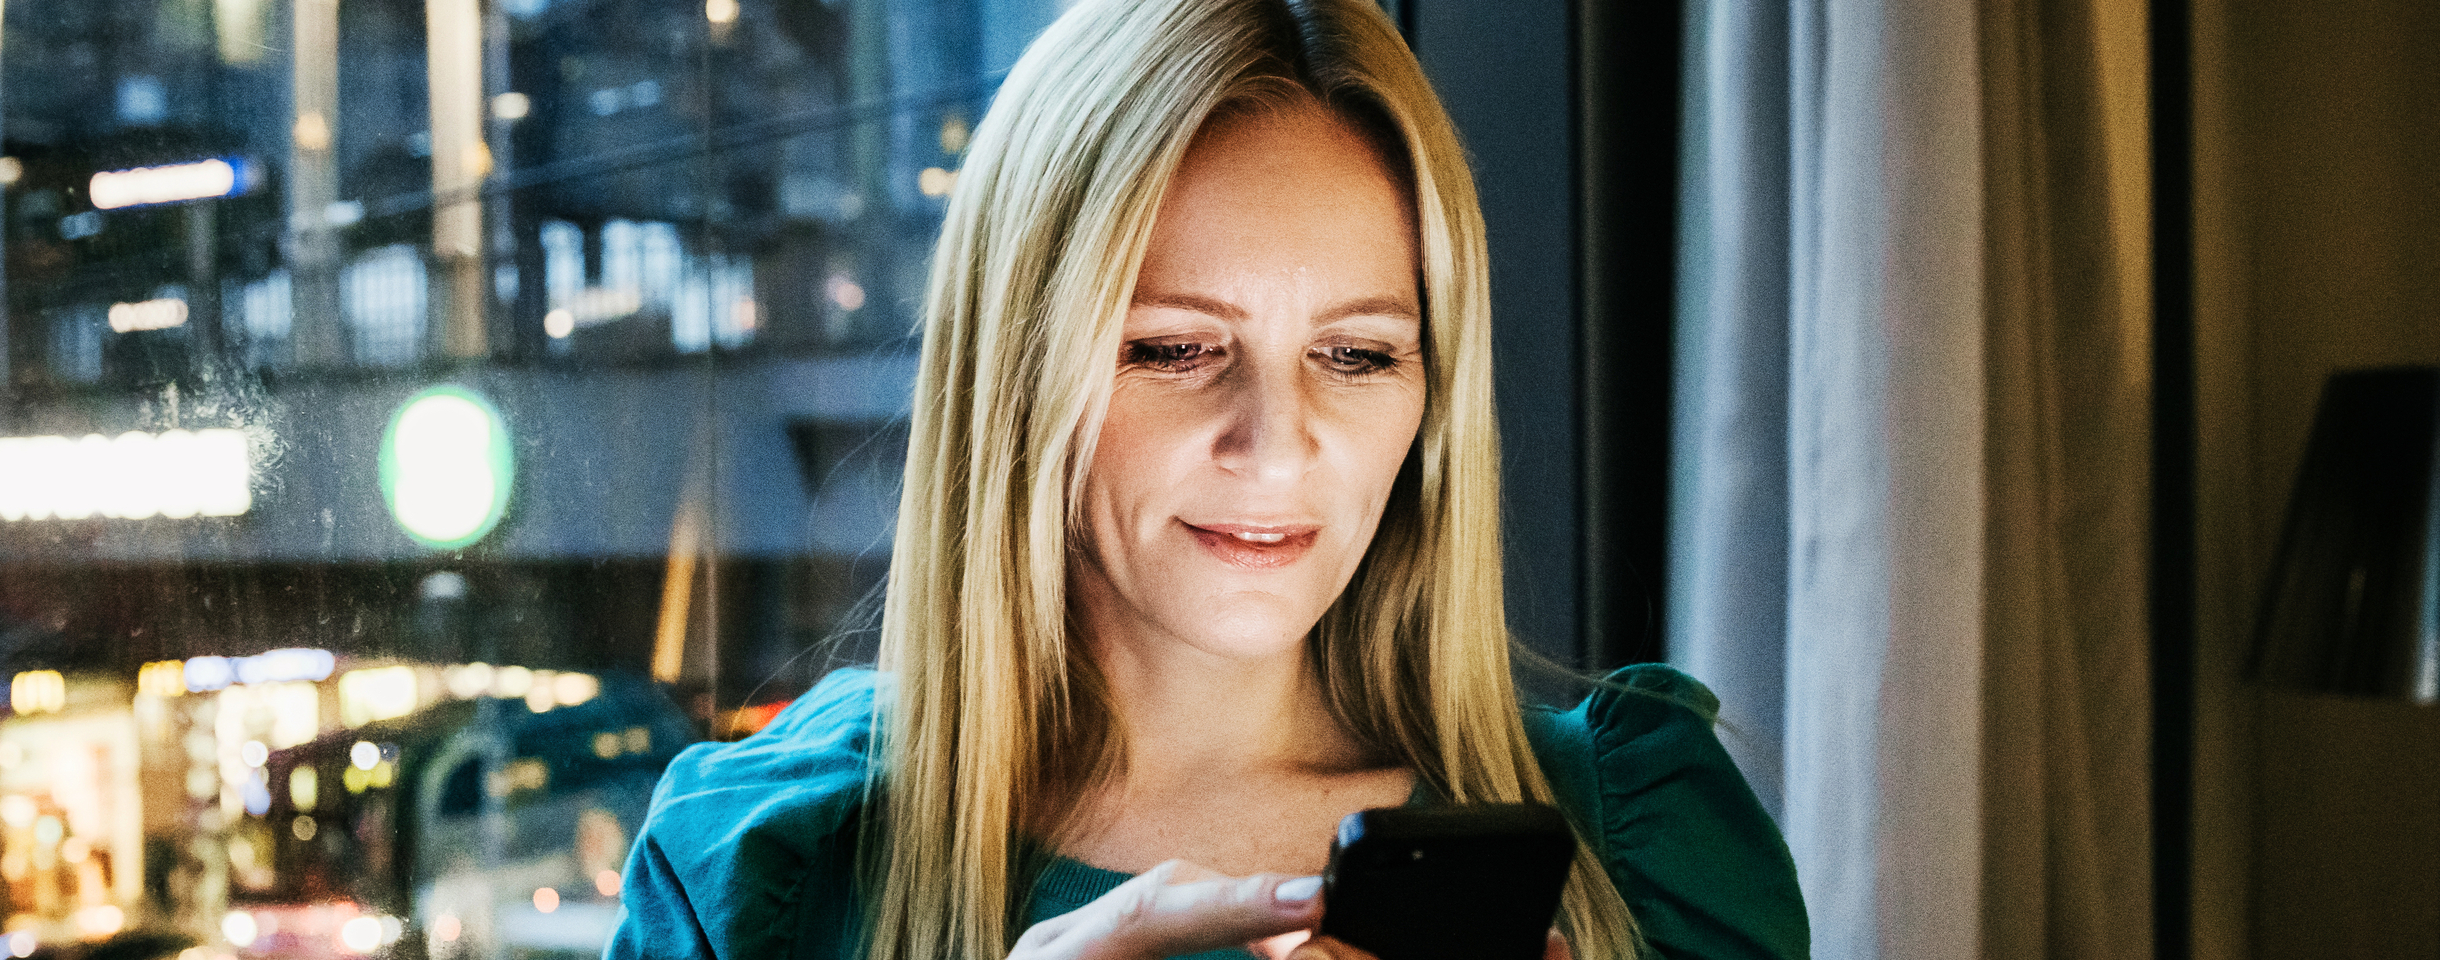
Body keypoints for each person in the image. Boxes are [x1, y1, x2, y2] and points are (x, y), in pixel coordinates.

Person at [605, 0, 1805, 957]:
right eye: (1174, 349)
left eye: (1359, 354)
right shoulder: (770, 868)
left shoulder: (1642, 853)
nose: (1277, 443)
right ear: (1016, 373)